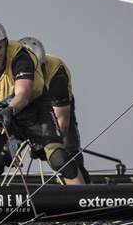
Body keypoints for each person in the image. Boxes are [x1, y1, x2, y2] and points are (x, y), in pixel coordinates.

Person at [0, 20, 85, 187]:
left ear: (6, 44)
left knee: (59, 158)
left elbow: (24, 94)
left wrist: (31, 140)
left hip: (33, 108)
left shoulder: (22, 58)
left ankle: (84, 201)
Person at [18, 36, 91, 183]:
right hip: (25, 108)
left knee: (68, 157)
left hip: (54, 107)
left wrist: (43, 143)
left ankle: (86, 196)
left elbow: (62, 123)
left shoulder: (56, 73)